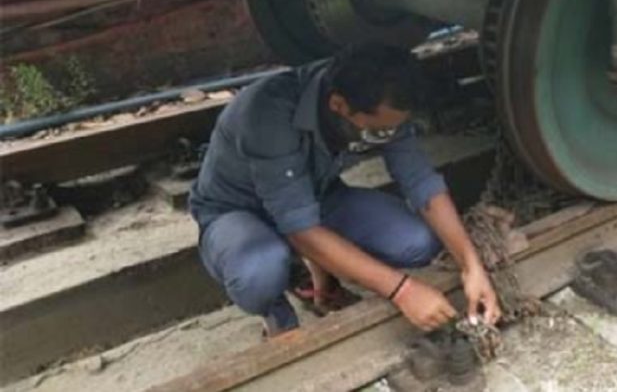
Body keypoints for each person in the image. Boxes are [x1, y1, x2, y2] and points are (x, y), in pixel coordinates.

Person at [188, 43, 500, 336]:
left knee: (418, 241)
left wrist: (471, 265)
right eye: (378, 130)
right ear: (338, 105)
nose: (387, 135)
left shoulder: (380, 97)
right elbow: (300, 229)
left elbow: (421, 182)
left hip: (317, 197)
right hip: (237, 212)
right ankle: (278, 315)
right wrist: (403, 291)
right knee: (260, 271)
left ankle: (320, 264)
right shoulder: (267, 115)